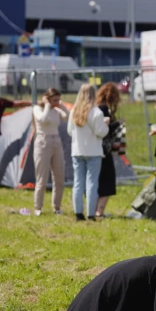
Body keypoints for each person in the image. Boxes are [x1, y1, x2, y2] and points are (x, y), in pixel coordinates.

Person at [67, 84, 109, 221]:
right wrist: (106, 124)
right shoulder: (96, 112)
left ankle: (78, 213)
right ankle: (91, 213)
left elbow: (69, 131)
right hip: (93, 151)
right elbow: (101, 132)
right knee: (92, 183)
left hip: (77, 150)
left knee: (78, 182)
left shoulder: (74, 111)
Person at [32, 88, 69, 216]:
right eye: (54, 100)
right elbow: (42, 119)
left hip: (56, 141)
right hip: (43, 142)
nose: (56, 103)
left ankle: (57, 206)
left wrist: (62, 105)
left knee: (59, 177)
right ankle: (38, 207)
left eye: (58, 100)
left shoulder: (56, 110)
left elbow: (67, 117)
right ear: (47, 99)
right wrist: (47, 105)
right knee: (42, 178)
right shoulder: (38, 109)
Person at [95, 82, 123, 218]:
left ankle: (94, 209)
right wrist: (118, 124)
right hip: (104, 151)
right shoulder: (104, 109)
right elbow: (104, 130)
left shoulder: (96, 108)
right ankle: (99, 211)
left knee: (97, 180)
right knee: (107, 181)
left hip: (96, 149)